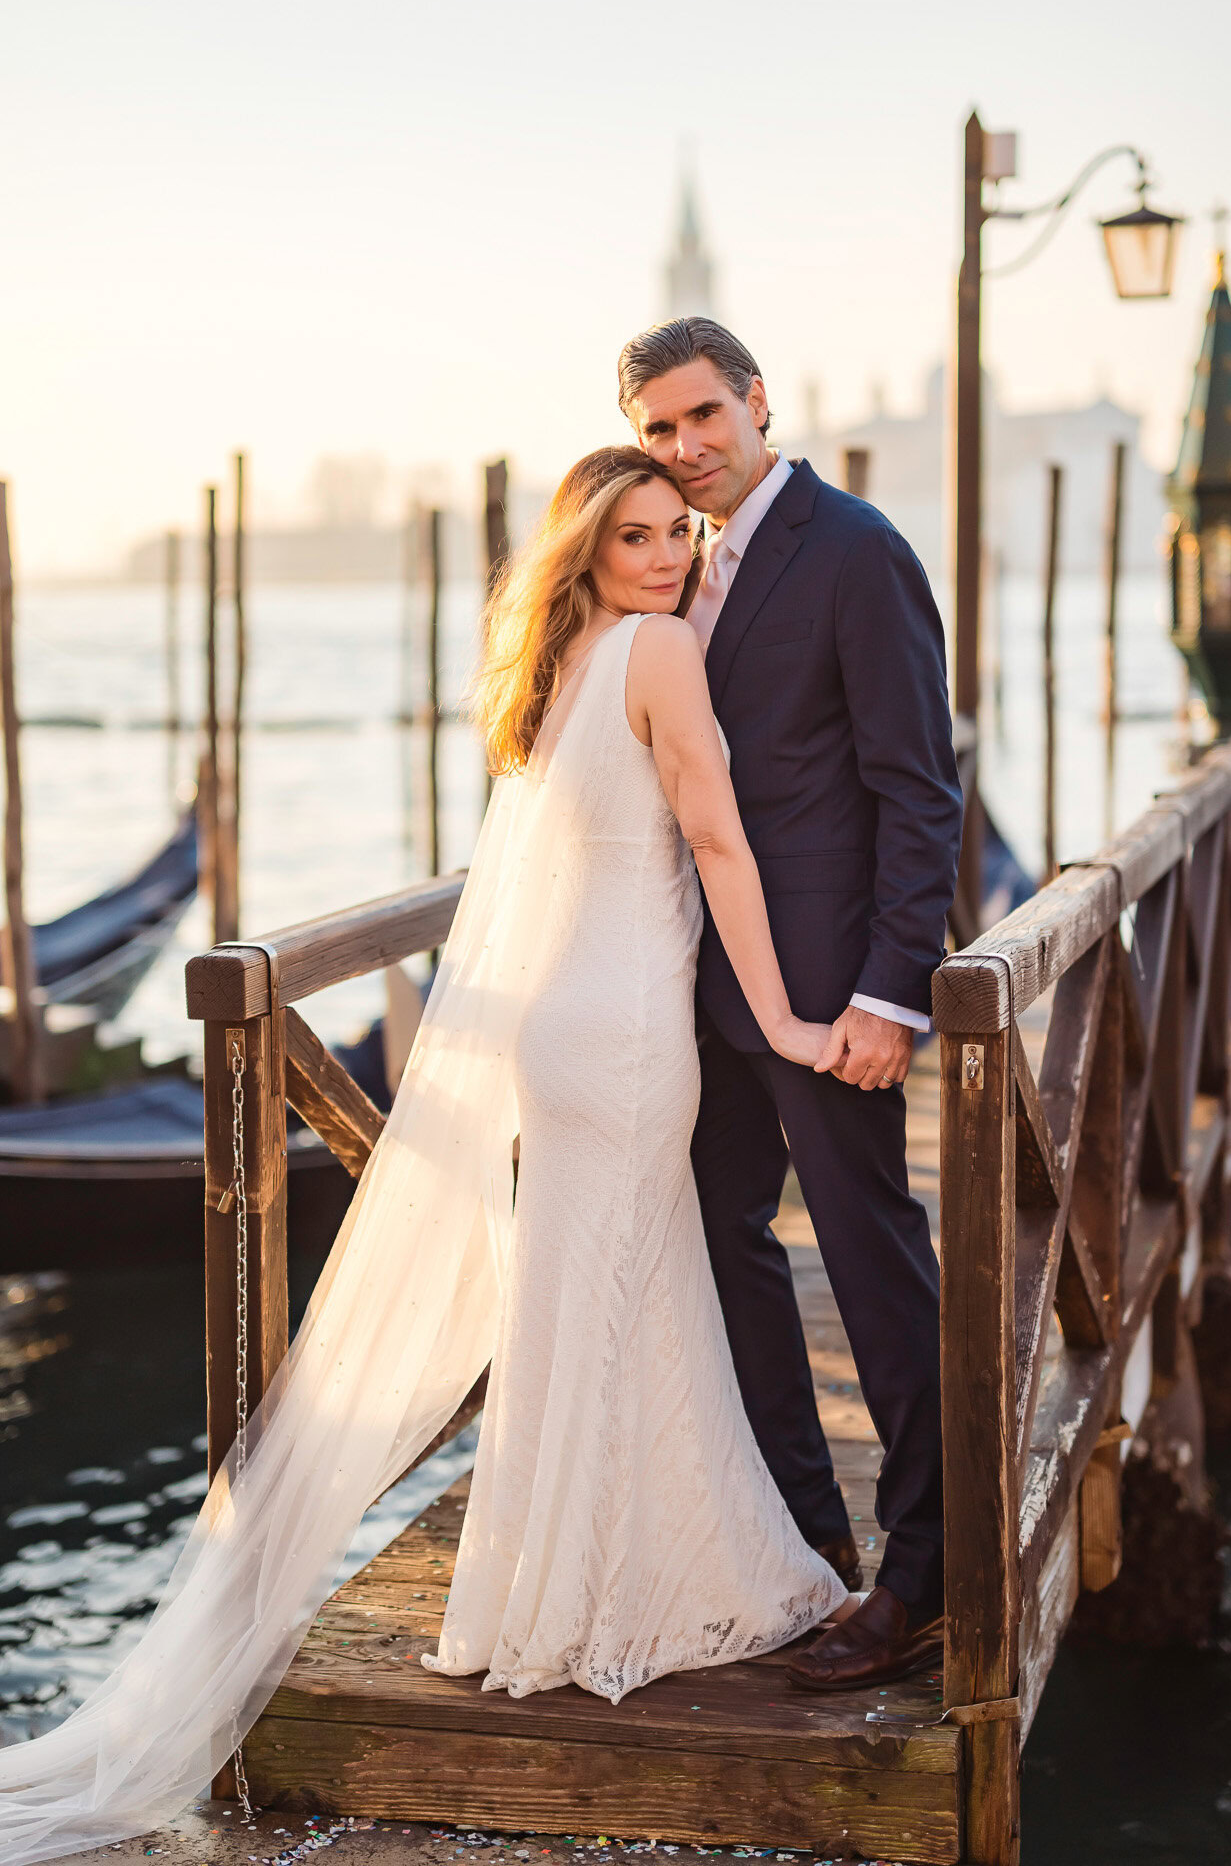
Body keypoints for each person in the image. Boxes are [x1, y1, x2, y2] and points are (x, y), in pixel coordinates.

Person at [0, 444, 850, 1865]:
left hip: (555, 1030)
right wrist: (780, 1015)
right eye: (635, 537)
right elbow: (717, 844)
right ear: (590, 554)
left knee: (586, 1298)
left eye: (677, 535)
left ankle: (539, 1599)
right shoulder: (657, 654)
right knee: (628, 1291)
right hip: (633, 1030)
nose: (668, 557)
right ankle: (609, 1595)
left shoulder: (561, 664)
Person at [618, 317, 962, 1691]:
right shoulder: (672, 562)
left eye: (705, 417)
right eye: (659, 430)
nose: (687, 448)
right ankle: (804, 1549)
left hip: (828, 998)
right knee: (722, 1245)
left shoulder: (857, 549)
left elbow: (917, 790)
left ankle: (928, 1583)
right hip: (701, 987)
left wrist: (894, 990)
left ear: (759, 401)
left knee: (875, 1267)